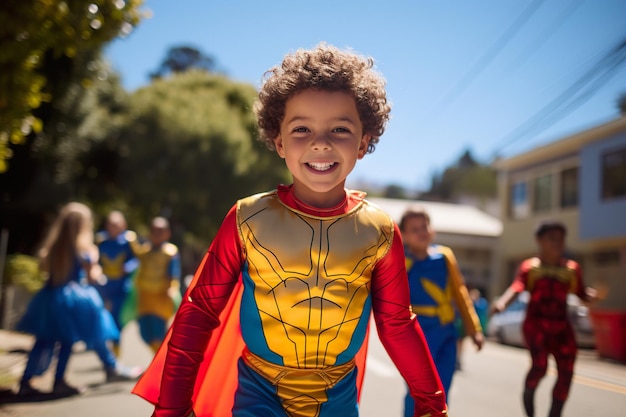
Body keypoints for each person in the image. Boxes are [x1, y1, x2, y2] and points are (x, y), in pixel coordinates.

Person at [133, 43, 447, 417]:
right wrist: (172, 407)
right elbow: (199, 312)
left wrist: (433, 405)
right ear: (278, 141)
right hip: (258, 391)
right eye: (302, 128)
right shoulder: (246, 218)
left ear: (364, 142)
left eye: (340, 129)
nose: (320, 142)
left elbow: (397, 324)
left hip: (339, 398)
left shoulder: (380, 231)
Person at [16, 202, 141, 397]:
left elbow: (44, 268)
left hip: (50, 297)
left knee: (43, 341)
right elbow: (92, 276)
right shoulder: (85, 249)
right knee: (67, 340)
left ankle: (25, 381)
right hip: (75, 299)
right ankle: (60, 380)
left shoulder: (53, 247)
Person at [490, 220, 597, 417]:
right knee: (540, 367)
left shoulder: (572, 269)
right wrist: (502, 303)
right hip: (536, 326)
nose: (558, 243)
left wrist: (590, 295)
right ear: (540, 241)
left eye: (561, 239)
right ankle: (529, 407)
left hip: (562, 327)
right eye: (552, 238)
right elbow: (517, 287)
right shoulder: (530, 267)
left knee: (566, 372)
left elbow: (581, 292)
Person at [399, 207, 484, 416]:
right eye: (414, 229)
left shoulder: (444, 256)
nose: (421, 232)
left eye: (424, 226)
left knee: (442, 390)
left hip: (446, 332)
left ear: (432, 229)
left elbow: (460, 293)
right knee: (417, 391)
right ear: (404, 235)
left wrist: (474, 329)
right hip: (417, 335)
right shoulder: (402, 262)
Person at [133, 217, 181, 353]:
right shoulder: (144, 252)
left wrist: (172, 289)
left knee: (158, 332)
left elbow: (173, 273)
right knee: (145, 332)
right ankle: (158, 359)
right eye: (154, 231)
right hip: (144, 297)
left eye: (160, 231)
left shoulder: (170, 252)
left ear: (167, 233)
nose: (157, 234)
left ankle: (161, 362)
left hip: (161, 298)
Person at [95, 210, 139, 354]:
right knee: (101, 319)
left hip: (122, 286)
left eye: (116, 225)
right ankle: (108, 355)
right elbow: (95, 260)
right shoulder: (102, 241)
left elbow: (137, 259)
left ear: (123, 225)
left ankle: (115, 354)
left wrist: (128, 267)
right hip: (104, 286)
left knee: (117, 320)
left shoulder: (128, 240)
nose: (112, 228)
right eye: (110, 224)